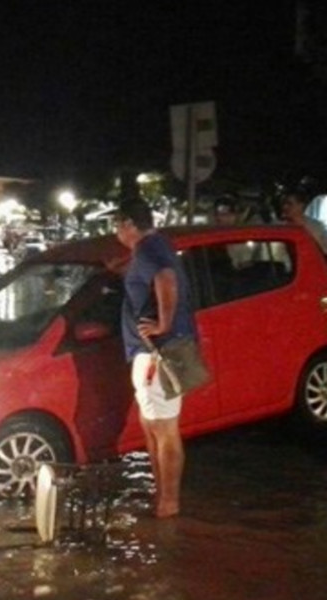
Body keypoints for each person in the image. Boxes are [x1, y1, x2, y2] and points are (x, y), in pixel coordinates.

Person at [111, 197, 198, 518]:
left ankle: (168, 503)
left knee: (163, 428)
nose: (116, 231)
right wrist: (123, 267)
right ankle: (162, 497)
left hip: (159, 353)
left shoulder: (149, 250)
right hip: (159, 351)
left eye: (118, 225)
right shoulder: (154, 246)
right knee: (153, 425)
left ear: (129, 224)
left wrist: (163, 323)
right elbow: (153, 275)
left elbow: (165, 279)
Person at [280, 190, 327, 270]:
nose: (285, 207)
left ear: (301, 205)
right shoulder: (280, 227)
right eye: (284, 204)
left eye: (289, 204)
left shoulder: (316, 227)